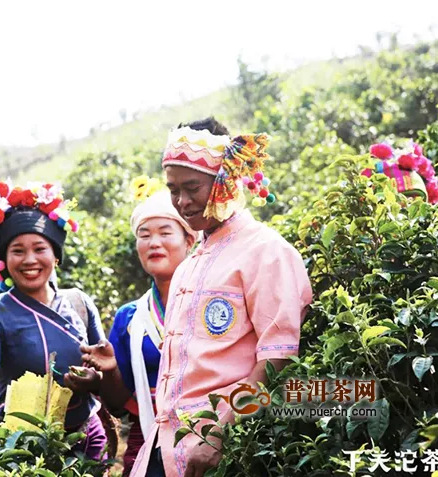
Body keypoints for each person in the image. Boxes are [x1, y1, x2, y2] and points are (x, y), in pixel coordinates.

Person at [125, 118, 313, 477]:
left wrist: (221, 432)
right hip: (164, 449)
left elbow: (279, 362)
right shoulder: (190, 261)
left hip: (224, 454)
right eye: (173, 189)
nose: (182, 201)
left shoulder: (266, 251)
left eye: (192, 187)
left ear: (225, 179)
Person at [0, 180, 108, 460]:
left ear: (56, 256)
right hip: (21, 450)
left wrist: (95, 379)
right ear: (5, 260)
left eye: (39, 249)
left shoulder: (78, 303)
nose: (29, 260)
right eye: (18, 251)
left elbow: (106, 366)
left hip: (86, 442)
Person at [80, 179, 197, 475]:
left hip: (205, 437)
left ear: (190, 241)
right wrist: (110, 371)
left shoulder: (211, 304)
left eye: (165, 233)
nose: (154, 242)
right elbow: (119, 406)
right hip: (146, 441)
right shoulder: (130, 317)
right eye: (144, 235)